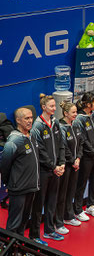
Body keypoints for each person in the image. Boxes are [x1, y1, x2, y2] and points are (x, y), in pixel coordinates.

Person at [29, 94, 65, 244]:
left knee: (52, 201)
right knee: (39, 203)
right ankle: (34, 235)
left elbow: (61, 144)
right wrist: (53, 166)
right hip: (44, 171)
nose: (54, 108)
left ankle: (50, 230)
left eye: (54, 106)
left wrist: (62, 163)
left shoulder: (55, 123)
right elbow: (40, 151)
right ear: (43, 107)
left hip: (56, 169)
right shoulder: (37, 126)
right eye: (51, 106)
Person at [0, 108, 39, 237]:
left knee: (23, 222)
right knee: (14, 224)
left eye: (31, 118)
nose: (30, 121)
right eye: (26, 118)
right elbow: (4, 165)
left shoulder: (31, 136)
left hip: (31, 187)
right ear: (18, 120)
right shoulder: (13, 141)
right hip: (18, 189)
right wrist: (9, 183)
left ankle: (20, 248)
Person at [73, 92, 94, 221]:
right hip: (88, 157)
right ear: (88, 104)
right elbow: (83, 140)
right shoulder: (79, 120)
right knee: (82, 183)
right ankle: (77, 209)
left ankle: (91, 205)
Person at [55, 101, 83, 235]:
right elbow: (64, 147)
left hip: (75, 163)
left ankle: (68, 216)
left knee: (71, 191)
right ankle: (58, 222)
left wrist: (78, 158)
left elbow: (81, 142)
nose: (76, 114)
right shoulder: (61, 127)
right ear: (65, 113)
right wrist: (72, 160)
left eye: (76, 112)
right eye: (73, 112)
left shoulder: (75, 125)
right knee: (62, 194)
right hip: (66, 165)